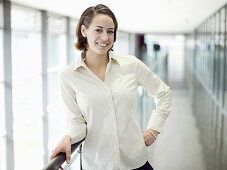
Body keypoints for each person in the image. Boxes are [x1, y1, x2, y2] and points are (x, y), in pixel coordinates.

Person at [50, 4, 171, 170]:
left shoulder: (131, 65)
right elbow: (77, 122)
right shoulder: (69, 76)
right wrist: (68, 138)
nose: (105, 37)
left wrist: (154, 129)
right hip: (96, 164)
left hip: (135, 162)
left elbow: (164, 93)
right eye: (98, 30)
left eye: (110, 31)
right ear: (84, 31)